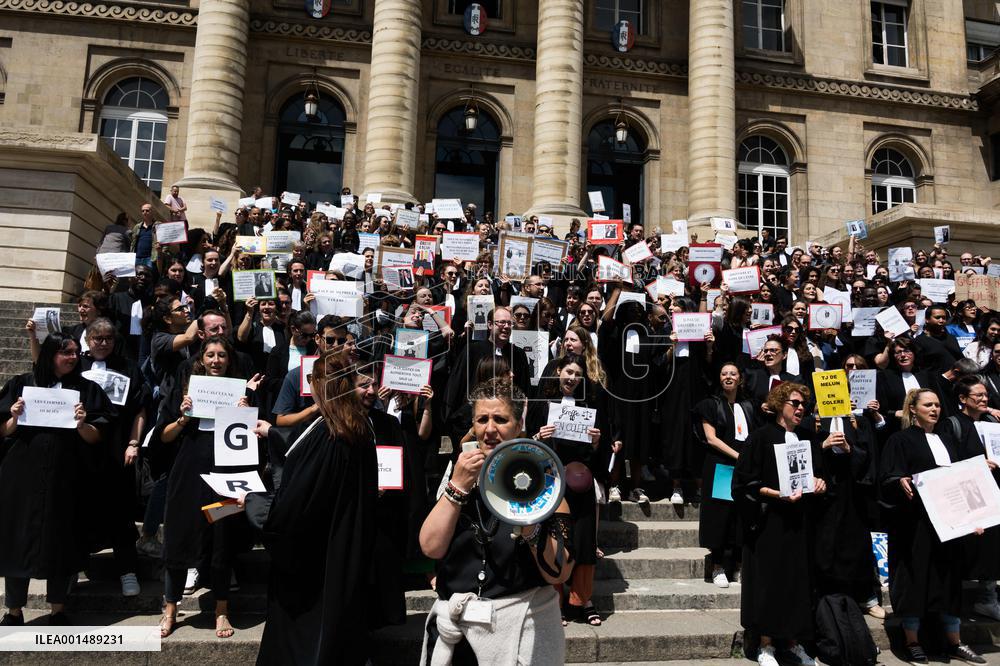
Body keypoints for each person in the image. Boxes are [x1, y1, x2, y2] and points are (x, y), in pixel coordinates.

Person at [419, 377, 574, 664]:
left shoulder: (546, 486)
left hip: (519, 638)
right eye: (482, 419)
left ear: (519, 425)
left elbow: (559, 573)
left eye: (500, 419)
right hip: (458, 638)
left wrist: (529, 518)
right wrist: (457, 487)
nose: (490, 430)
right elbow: (430, 547)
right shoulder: (458, 477)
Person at [243, 351, 379, 665]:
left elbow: (293, 509)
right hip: (345, 550)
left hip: (314, 563)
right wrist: (273, 433)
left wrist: (254, 503)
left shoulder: (328, 434)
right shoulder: (357, 428)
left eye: (311, 380)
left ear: (321, 385)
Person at [0, 332, 114, 626]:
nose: (74, 357)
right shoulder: (22, 384)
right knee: (17, 541)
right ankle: (13, 610)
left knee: (62, 542)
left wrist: (82, 423)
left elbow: (98, 436)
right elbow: (4, 431)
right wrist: (13, 417)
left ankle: (58, 609)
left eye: (76, 352)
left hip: (67, 479)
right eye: (67, 352)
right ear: (51, 354)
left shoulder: (87, 390)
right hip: (22, 478)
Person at [153, 336, 260, 640]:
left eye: (222, 355)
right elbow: (165, 437)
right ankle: (170, 609)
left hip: (227, 474)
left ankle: (221, 610)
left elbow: (251, 440)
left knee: (222, 540)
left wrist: (245, 411)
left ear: (229, 360)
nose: (216, 360)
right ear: (202, 359)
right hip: (188, 473)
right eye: (211, 355)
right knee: (178, 537)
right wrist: (183, 417)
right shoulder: (186, 390)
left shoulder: (241, 392)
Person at [880, 387, 988, 664]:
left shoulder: (948, 440)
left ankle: (955, 642)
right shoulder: (900, 440)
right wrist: (899, 481)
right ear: (912, 409)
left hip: (949, 526)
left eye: (938, 405)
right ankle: (912, 642)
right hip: (915, 527)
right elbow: (888, 477)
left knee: (949, 582)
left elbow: (962, 481)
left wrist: (974, 517)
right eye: (928, 404)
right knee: (915, 582)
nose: (934, 409)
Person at [733, 382, 828, 666]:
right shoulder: (761, 438)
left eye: (803, 405)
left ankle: (793, 642)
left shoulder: (809, 438)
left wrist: (820, 483)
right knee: (768, 583)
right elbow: (744, 484)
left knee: (797, 584)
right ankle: (766, 645)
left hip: (799, 524)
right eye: (795, 403)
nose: (800, 409)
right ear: (779, 404)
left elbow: (821, 476)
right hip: (768, 524)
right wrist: (776, 494)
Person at [527, 354, 615, 626]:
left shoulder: (590, 407)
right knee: (555, 541)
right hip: (552, 482)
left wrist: (598, 442)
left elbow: (603, 452)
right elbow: (527, 441)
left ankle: (582, 599)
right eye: (568, 371)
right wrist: (537, 437)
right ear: (558, 372)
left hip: (581, 483)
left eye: (577, 373)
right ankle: (555, 599)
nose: (572, 378)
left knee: (584, 540)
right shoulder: (543, 405)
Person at [695, 362, 755, 588]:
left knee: (741, 515)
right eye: (724, 373)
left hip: (744, 469)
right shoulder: (710, 405)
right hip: (720, 465)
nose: (728, 377)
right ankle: (717, 565)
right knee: (719, 515)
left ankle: (738, 565)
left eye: (733, 373)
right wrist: (738, 456)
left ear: (740, 378)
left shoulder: (749, 406)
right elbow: (711, 439)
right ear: (719, 378)